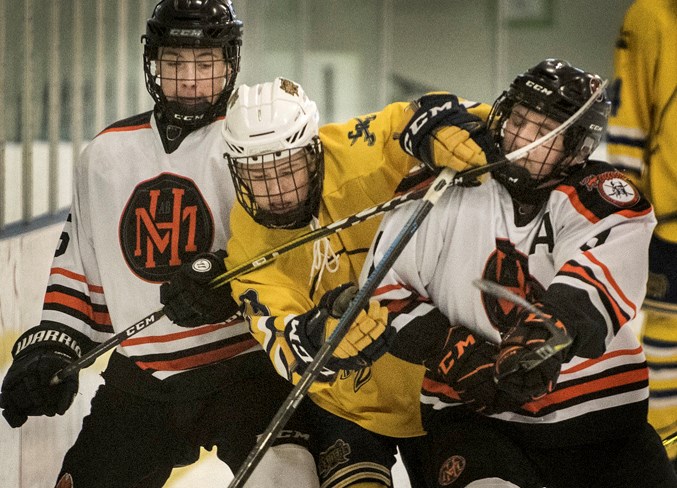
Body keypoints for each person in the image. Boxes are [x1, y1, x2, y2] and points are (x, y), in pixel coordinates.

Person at [0, 2, 320, 487]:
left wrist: (229, 283)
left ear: (230, 63)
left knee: (288, 479)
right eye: (175, 63)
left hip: (245, 372)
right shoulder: (105, 155)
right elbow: (78, 277)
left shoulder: (258, 145)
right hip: (142, 380)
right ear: (153, 64)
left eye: (206, 63)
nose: (190, 78)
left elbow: (296, 256)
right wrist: (52, 345)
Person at [165, 77, 497, 487]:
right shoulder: (249, 236)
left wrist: (441, 123)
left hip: (439, 388)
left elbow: (415, 119)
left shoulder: (354, 150)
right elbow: (280, 333)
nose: (277, 192)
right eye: (258, 176)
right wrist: (321, 335)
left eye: (289, 169)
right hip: (347, 404)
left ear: (313, 148)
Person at [364, 59, 677, 487]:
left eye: (543, 131)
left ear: (577, 147)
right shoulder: (440, 188)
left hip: (601, 423)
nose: (522, 139)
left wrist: (544, 336)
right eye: (519, 120)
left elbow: (595, 279)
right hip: (474, 421)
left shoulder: (606, 197)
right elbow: (380, 291)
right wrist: (452, 349)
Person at [606, 0, 677, 467]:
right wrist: (622, 213)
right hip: (672, 223)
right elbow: (628, 119)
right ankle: (661, 460)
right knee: (667, 342)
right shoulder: (651, 15)